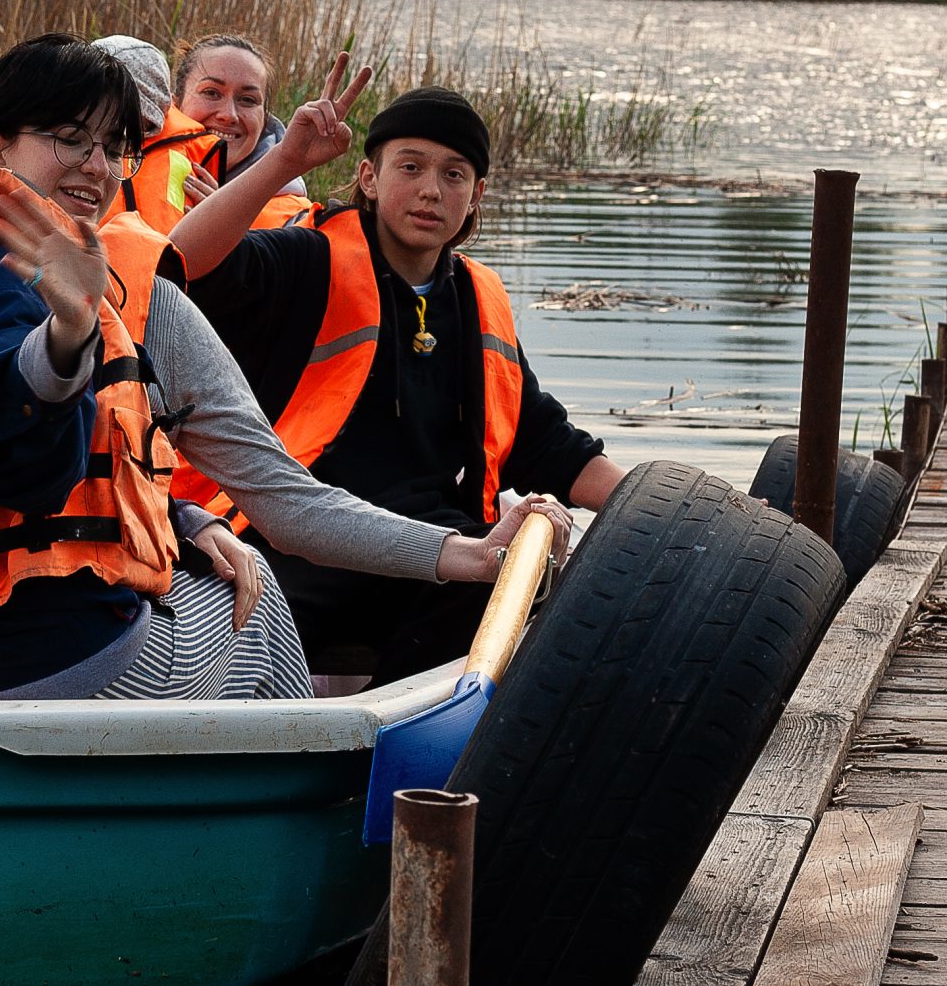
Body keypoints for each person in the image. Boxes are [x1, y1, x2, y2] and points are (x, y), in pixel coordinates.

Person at [0, 35, 568, 704]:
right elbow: (275, 503)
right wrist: (67, 334)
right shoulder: (126, 289)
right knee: (262, 601)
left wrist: (459, 552)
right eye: (70, 140)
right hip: (52, 657)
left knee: (230, 556)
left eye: (113, 147)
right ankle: (293, 839)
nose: (97, 167)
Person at [170, 78, 625, 685]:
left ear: (476, 196)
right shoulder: (307, 259)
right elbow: (179, 268)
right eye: (410, 167)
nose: (431, 190)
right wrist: (286, 160)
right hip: (302, 542)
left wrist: (672, 506)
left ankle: (401, 752)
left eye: (454, 175)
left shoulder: (477, 301)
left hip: (436, 551)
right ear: (369, 178)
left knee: (525, 595)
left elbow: (546, 443)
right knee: (246, 615)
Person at [117, 33, 314, 235]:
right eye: (211, 93)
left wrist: (224, 225)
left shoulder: (296, 220)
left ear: (264, 118)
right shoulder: (118, 161)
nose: (229, 115)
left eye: (248, 100)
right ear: (175, 103)